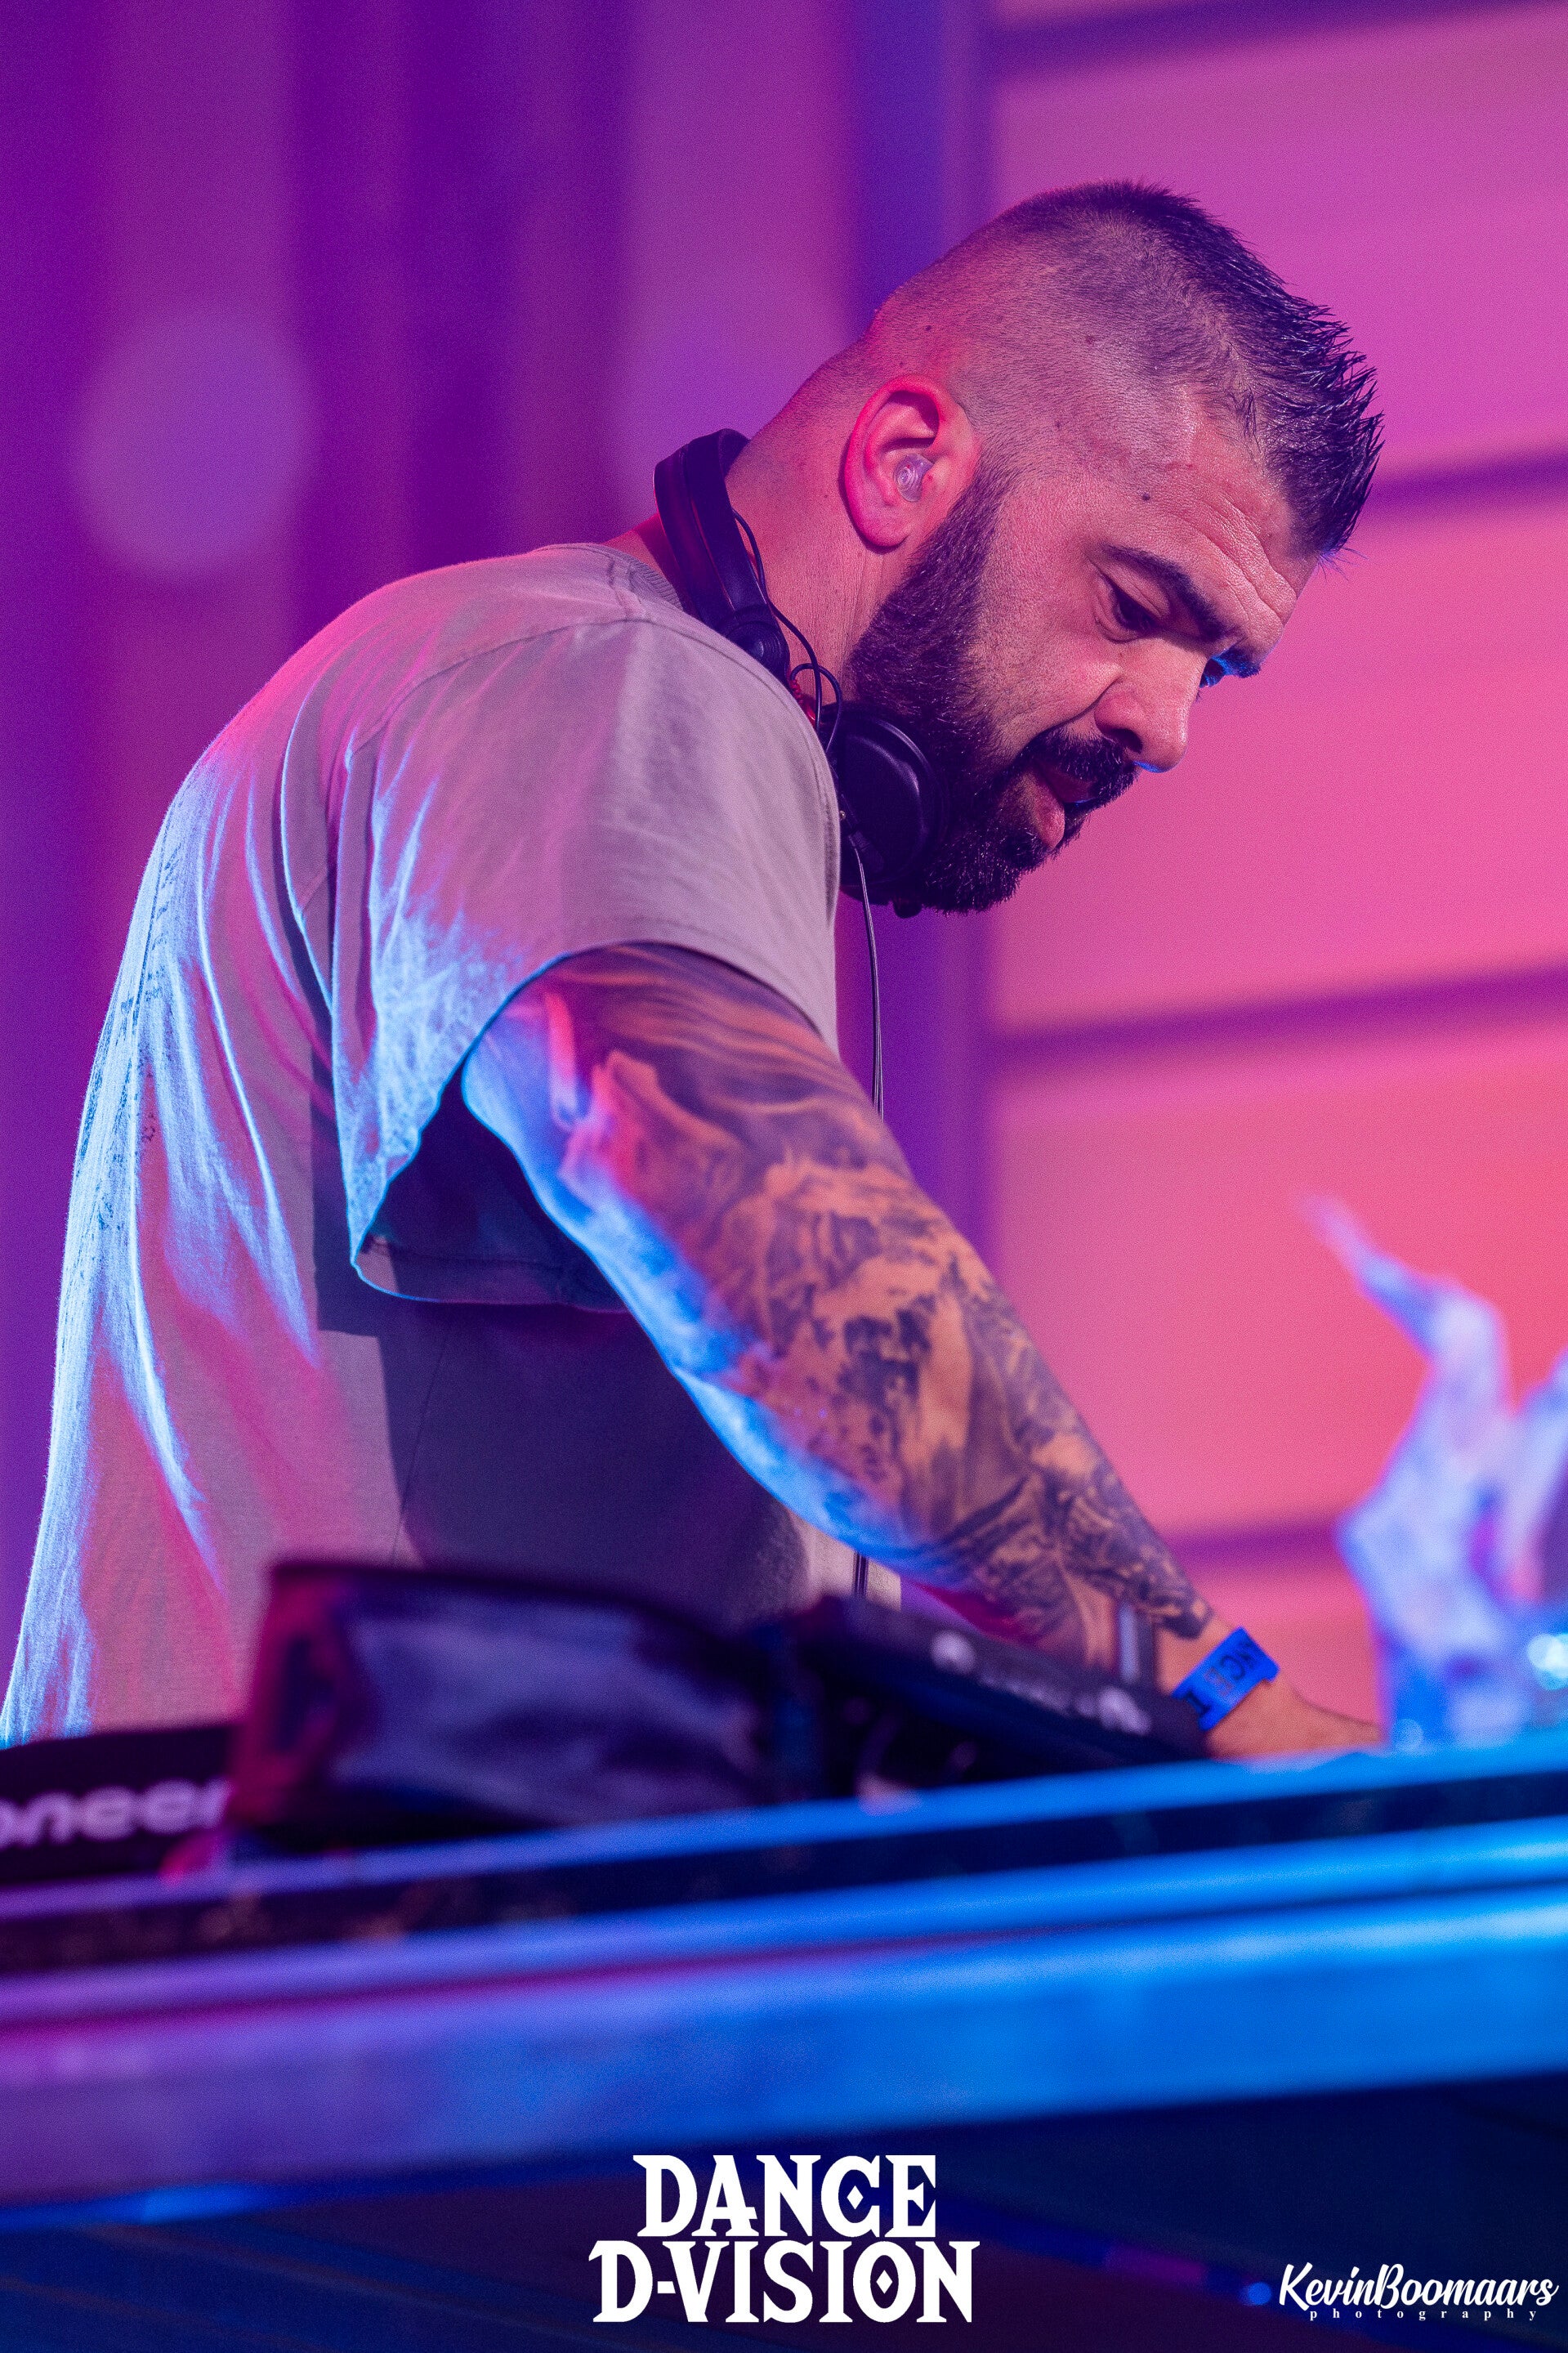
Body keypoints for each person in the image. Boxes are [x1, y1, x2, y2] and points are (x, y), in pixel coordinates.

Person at [2, 183, 1382, 1756]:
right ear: (906, 462)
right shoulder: (619, 678)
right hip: (369, 1894)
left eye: (1217, 670)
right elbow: (758, 1217)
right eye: (1136, 608)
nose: (1167, 724)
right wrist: (1226, 1704)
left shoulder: (507, 678)